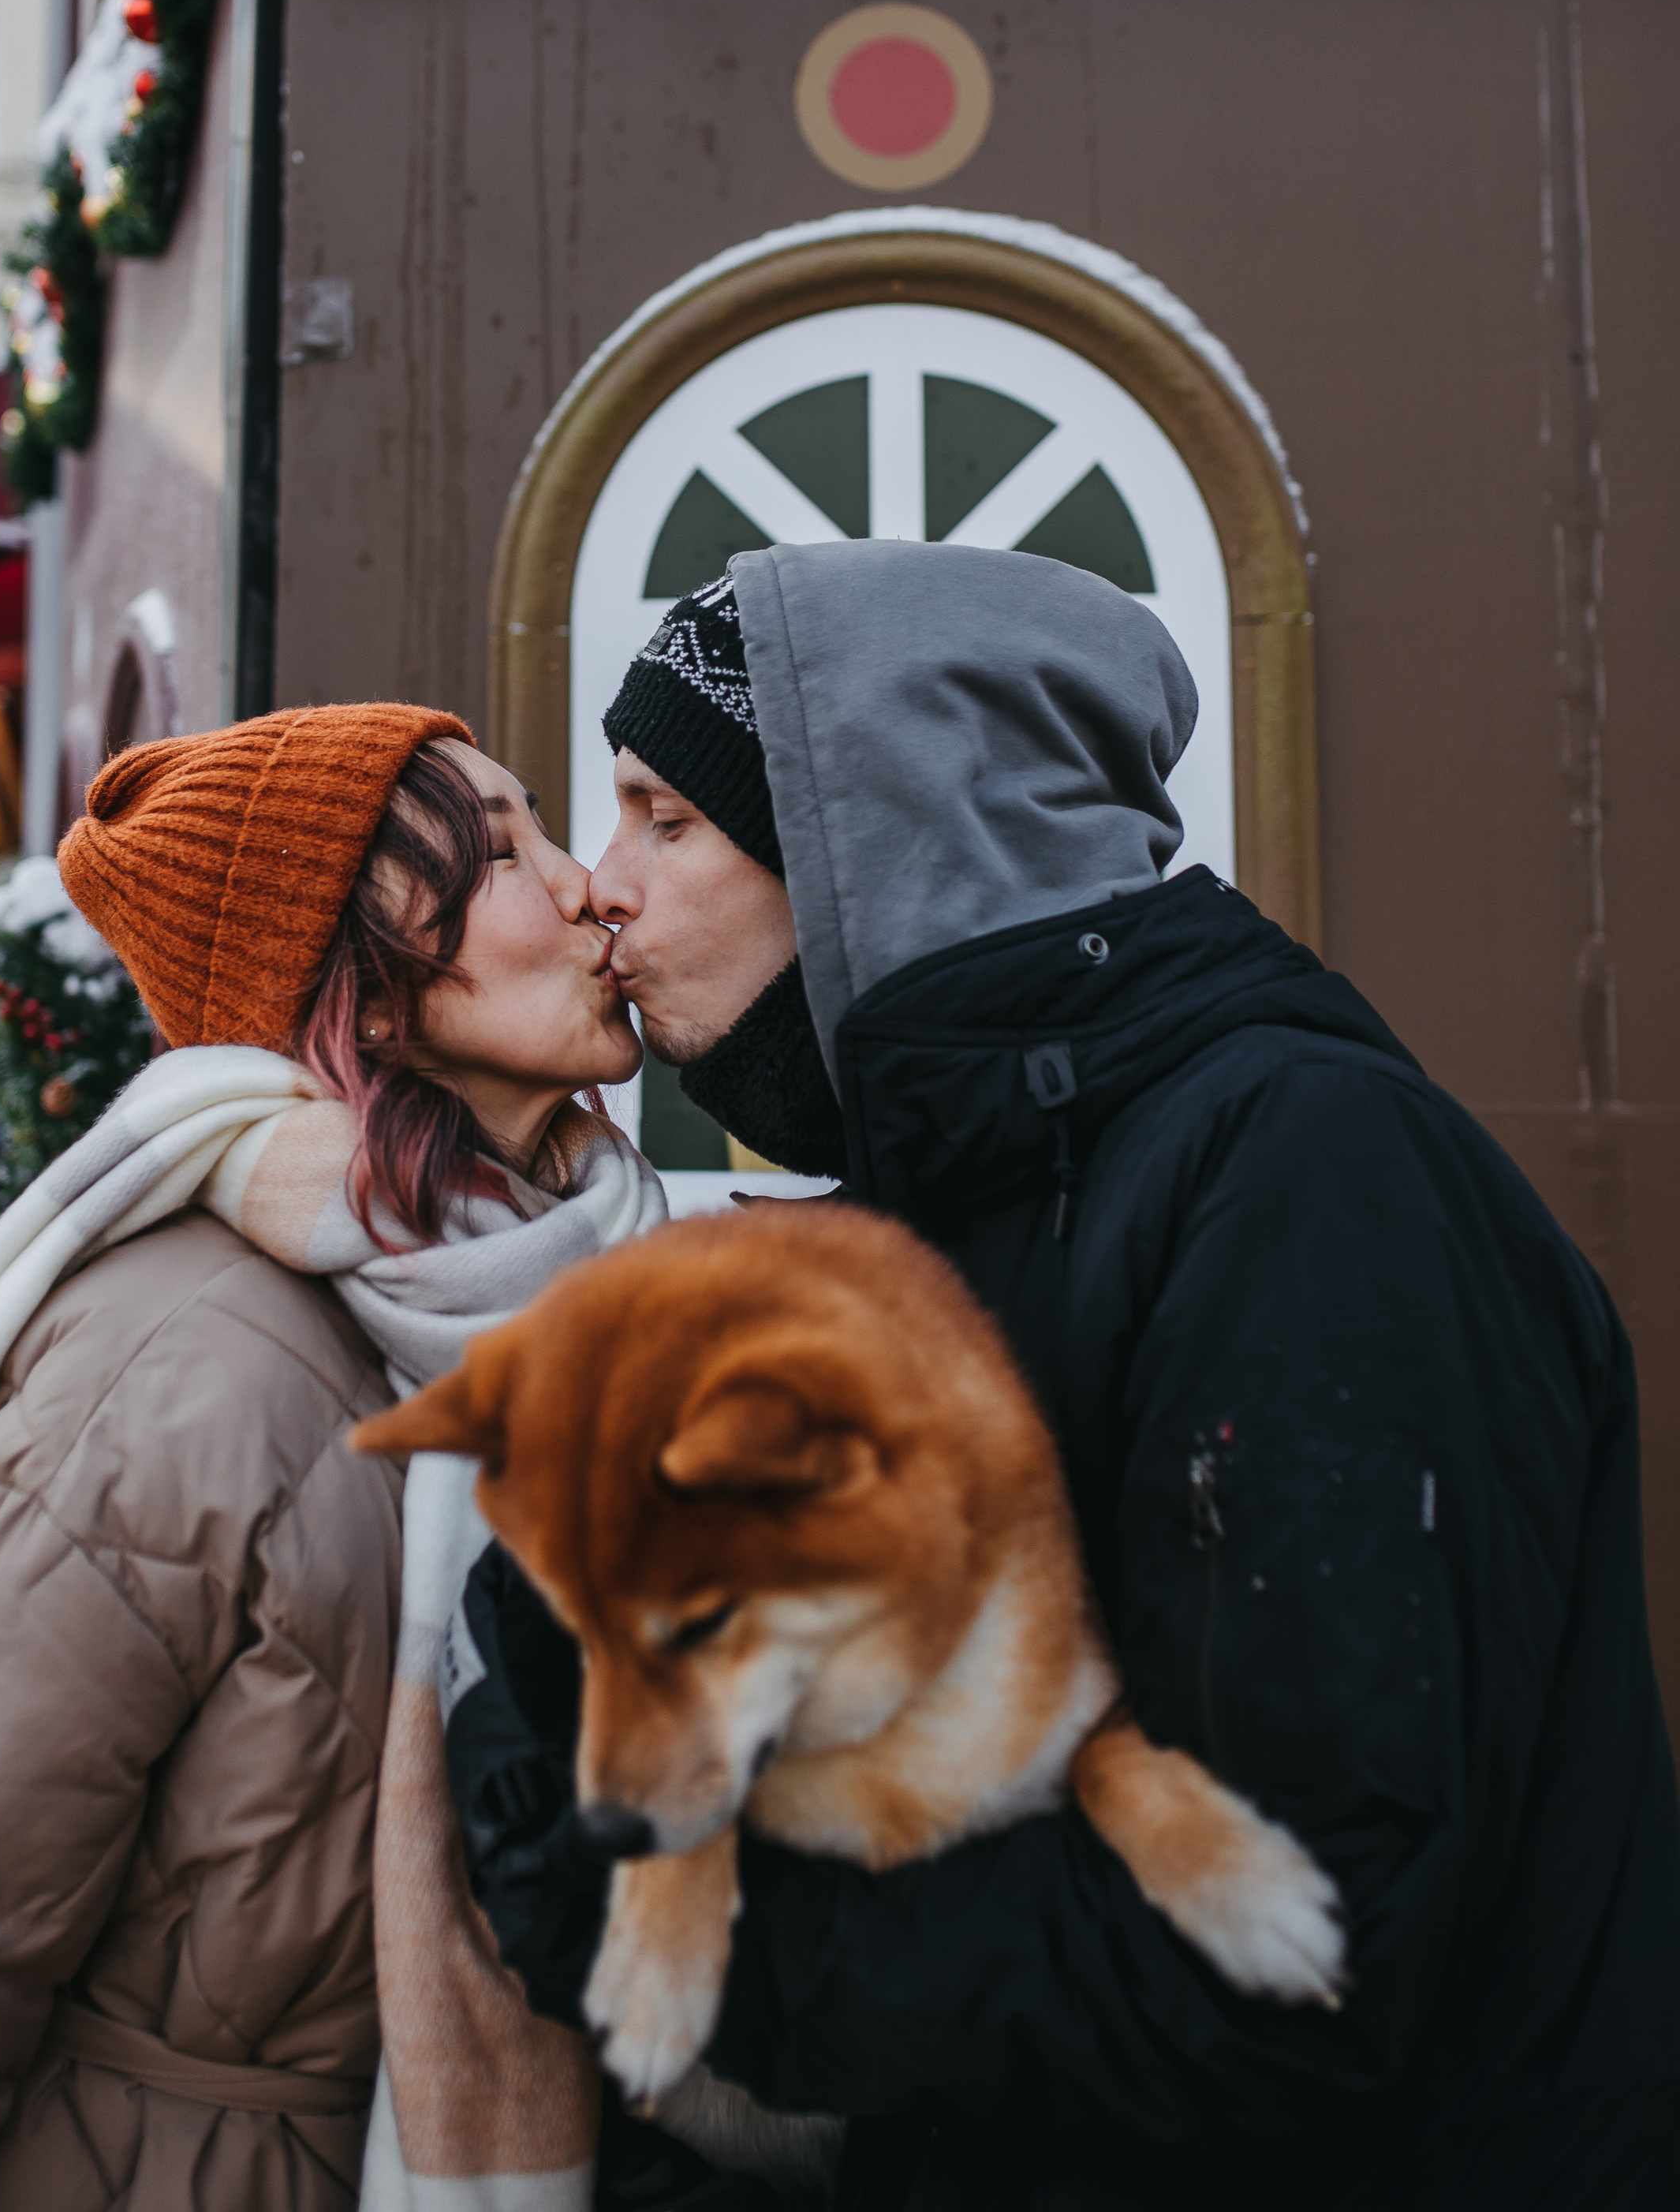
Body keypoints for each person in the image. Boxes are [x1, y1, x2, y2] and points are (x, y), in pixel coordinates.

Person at [446, 547, 1680, 2212]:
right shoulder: (959, 1206)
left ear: (869, 827)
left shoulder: (1308, 1183)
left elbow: (1291, 1961)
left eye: (662, 816)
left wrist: (672, 1918)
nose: (603, 886)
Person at [0, 701, 652, 2212]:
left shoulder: (575, 1303)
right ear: (365, 996)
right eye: (508, 849)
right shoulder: (186, 1369)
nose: (587, 886)